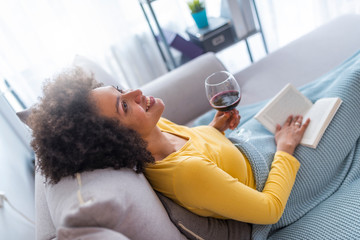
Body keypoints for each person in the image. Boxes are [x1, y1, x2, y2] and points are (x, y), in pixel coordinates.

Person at [29, 67, 309, 225]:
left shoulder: (156, 128)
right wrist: (285, 148)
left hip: (257, 145)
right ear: (115, 140)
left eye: (118, 89)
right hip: (280, 173)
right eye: (124, 105)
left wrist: (215, 129)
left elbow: (202, 151)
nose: (136, 92)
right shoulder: (186, 175)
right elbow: (270, 210)